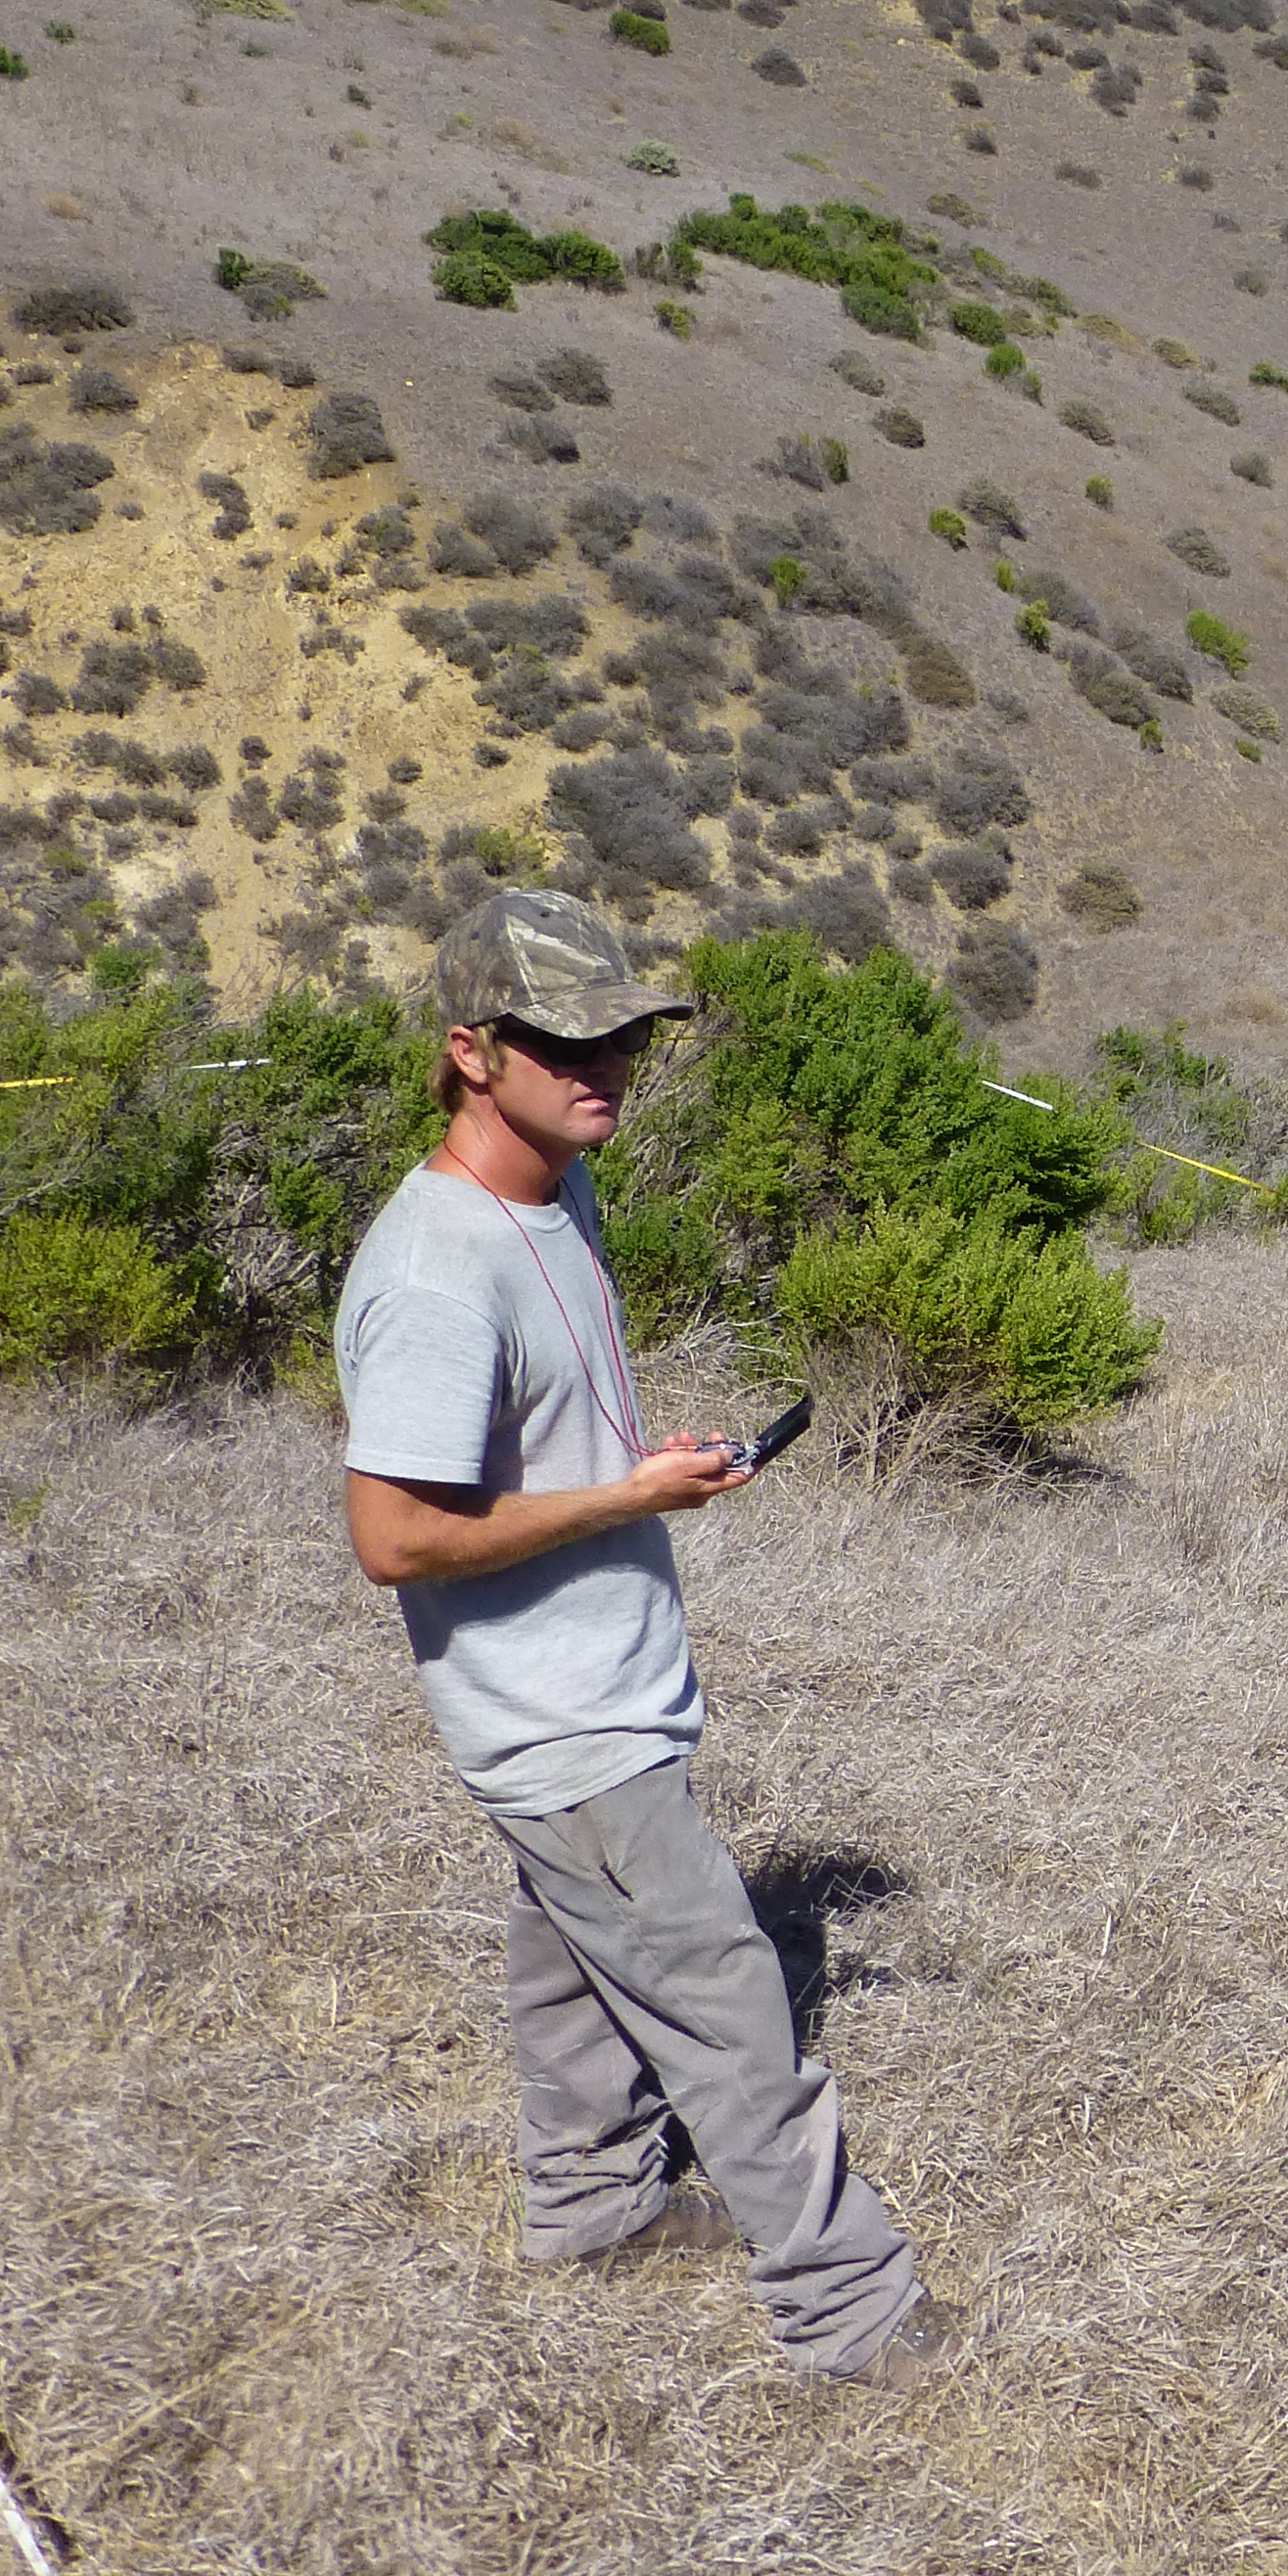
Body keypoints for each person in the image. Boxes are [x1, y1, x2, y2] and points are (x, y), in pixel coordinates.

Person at [333, 888, 969, 2390]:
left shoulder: (557, 1193)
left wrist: (642, 1473)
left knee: (572, 1970)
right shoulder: (435, 1273)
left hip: (592, 1691)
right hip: (562, 1720)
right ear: (471, 1051)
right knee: (733, 2012)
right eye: (564, 1040)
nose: (604, 1064)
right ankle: (852, 2314)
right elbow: (394, 1536)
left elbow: (527, 1452)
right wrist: (626, 1498)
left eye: (622, 1034)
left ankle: (592, 2209)